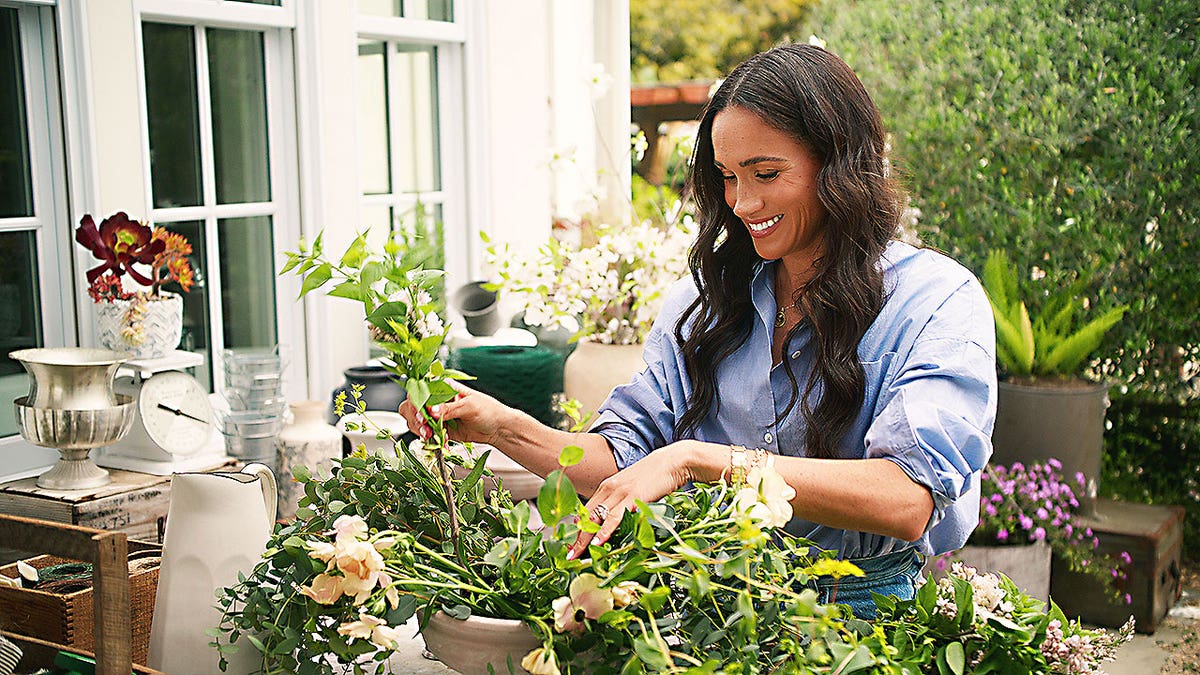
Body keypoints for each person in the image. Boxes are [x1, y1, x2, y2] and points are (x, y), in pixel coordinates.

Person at [400, 43, 996, 619]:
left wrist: (697, 460)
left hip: (860, 624)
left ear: (840, 165)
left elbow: (906, 499)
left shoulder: (936, 301)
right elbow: (622, 462)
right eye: (728, 176)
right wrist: (500, 426)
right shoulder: (706, 305)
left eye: (765, 173)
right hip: (707, 611)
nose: (741, 202)